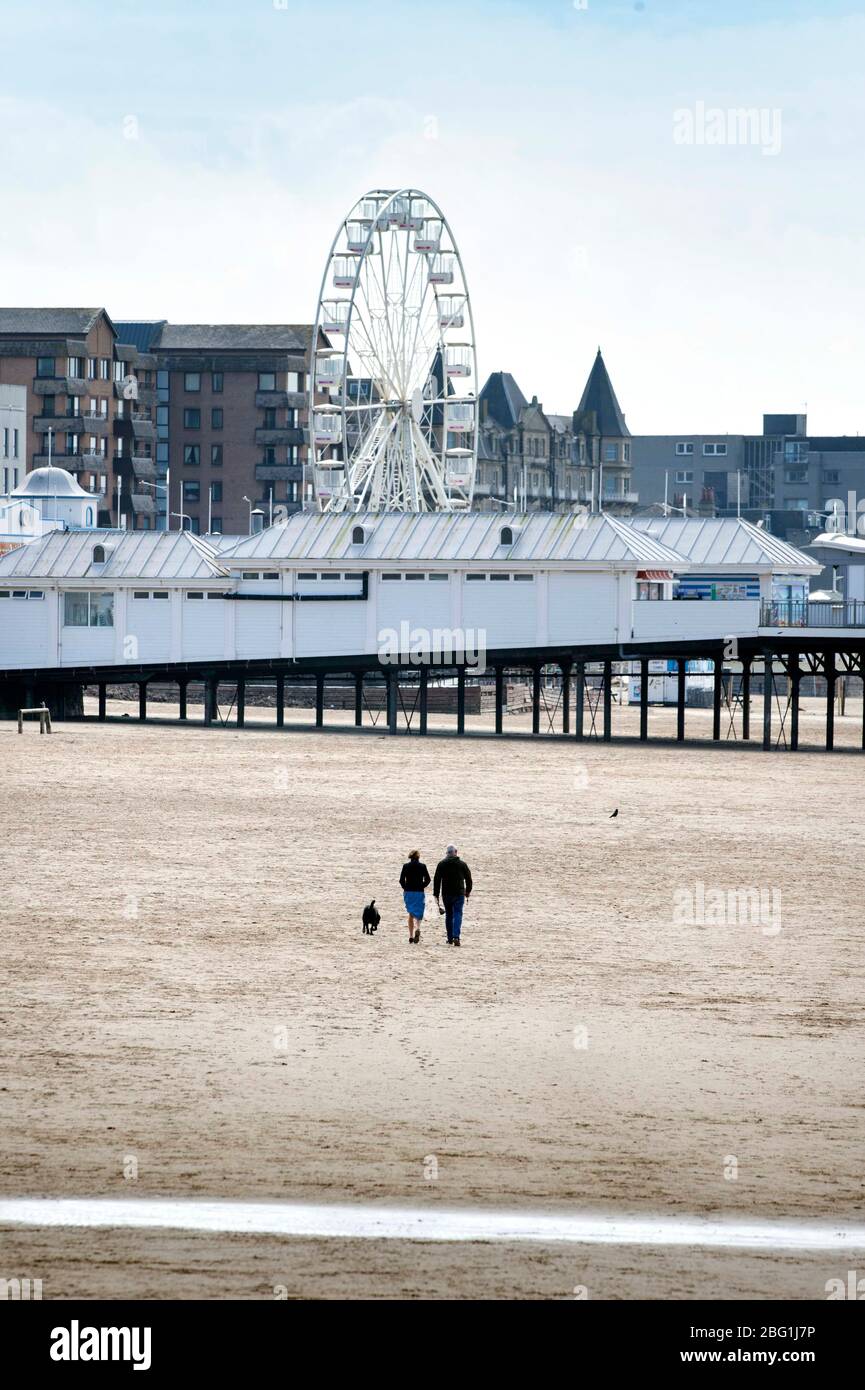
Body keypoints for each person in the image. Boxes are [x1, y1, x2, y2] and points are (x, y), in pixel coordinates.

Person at [433, 845, 473, 947]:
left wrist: (436, 895)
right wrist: (468, 891)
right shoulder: (462, 864)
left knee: (449, 915)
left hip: (446, 894)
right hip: (459, 893)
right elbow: (469, 879)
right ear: (456, 852)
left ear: (447, 853)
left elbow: (437, 880)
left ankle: (450, 938)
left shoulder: (441, 864)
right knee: (458, 914)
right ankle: (456, 937)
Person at [400, 849, 430, 945]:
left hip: (409, 892)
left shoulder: (406, 866)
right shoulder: (422, 866)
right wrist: (422, 886)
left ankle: (411, 936)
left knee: (411, 912)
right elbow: (428, 879)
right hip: (419, 892)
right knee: (419, 912)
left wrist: (405, 888)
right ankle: (418, 928)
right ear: (418, 857)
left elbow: (401, 880)